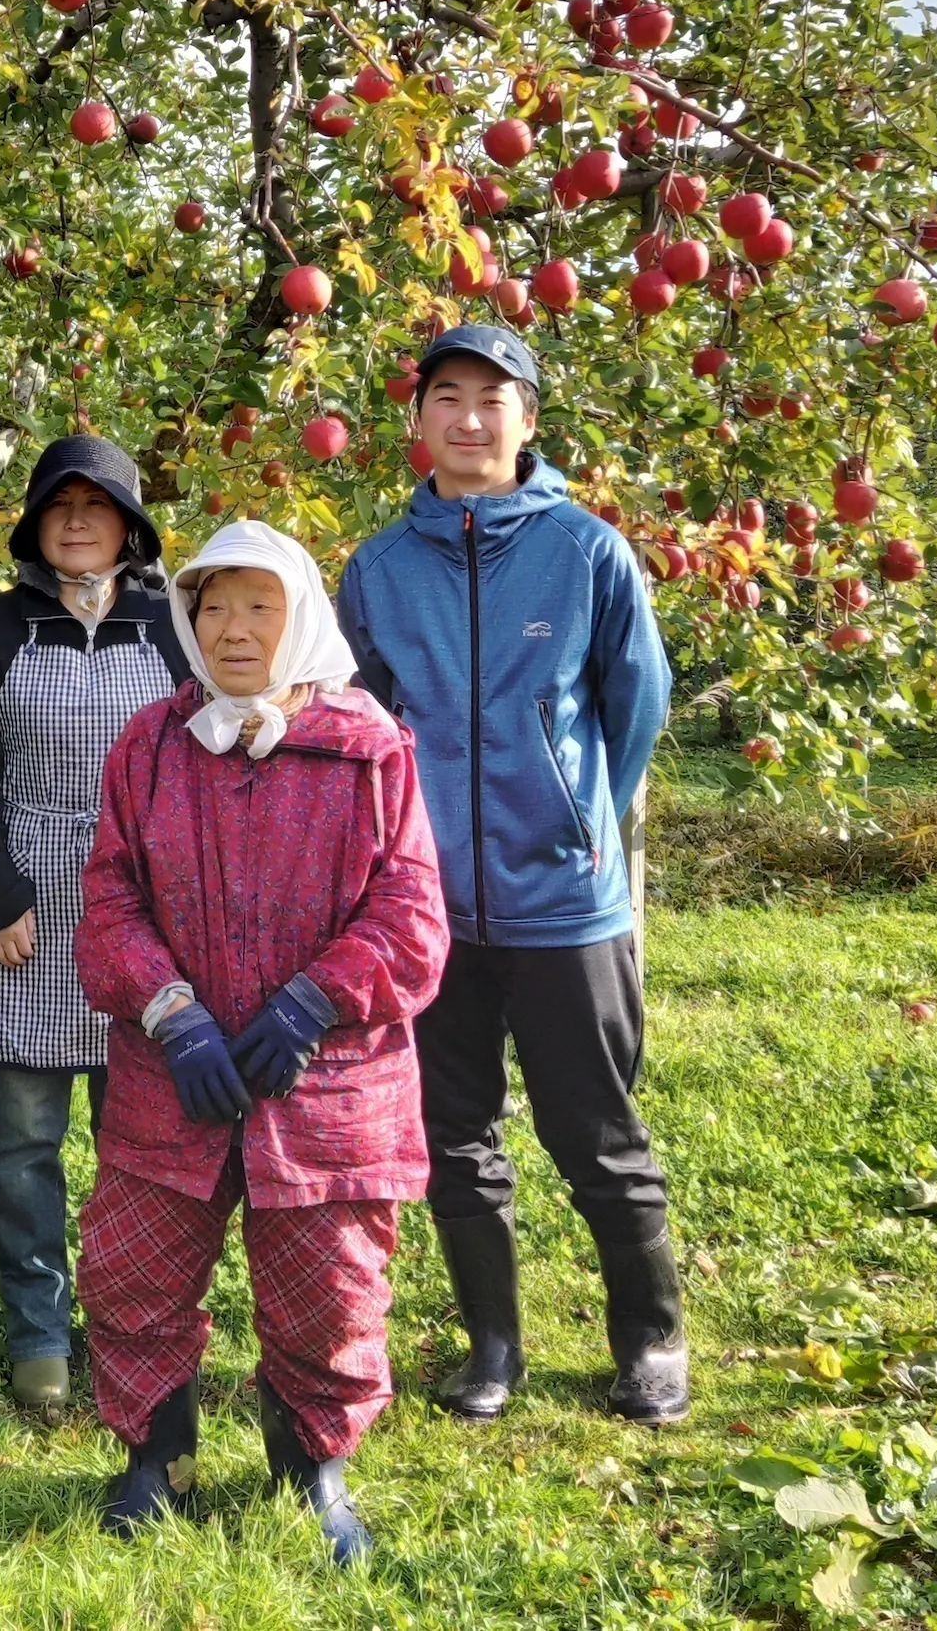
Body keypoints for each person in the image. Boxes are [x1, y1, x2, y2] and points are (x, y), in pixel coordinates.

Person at [73, 519, 448, 1568]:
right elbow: (110, 900)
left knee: (330, 1285)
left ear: (303, 617)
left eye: (260, 606)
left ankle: (313, 1468)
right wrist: (172, 1012)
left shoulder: (370, 749)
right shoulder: (151, 746)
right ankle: (157, 1460)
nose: (234, 629)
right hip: (174, 1076)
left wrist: (313, 1002)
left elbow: (411, 912)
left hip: (327, 1086)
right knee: (134, 1268)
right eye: (213, 607)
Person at [330, 322, 683, 1426]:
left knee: (595, 1131)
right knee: (452, 1133)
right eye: (447, 397)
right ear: (418, 420)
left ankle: (651, 1339)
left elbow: (635, 705)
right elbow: (362, 722)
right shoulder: (380, 569)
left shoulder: (586, 552)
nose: (470, 418)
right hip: (429, 905)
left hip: (564, 900)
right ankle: (494, 1345)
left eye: (494, 399)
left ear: (527, 420)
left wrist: (579, 820)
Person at [0, 438, 191, 1417]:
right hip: (29, 904)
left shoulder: (171, 624)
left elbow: (203, 762)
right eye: (59, 504)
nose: (78, 520)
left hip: (144, 902)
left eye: (98, 504)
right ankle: (38, 1329)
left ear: (131, 525)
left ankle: (132, 1317)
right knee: (24, 1137)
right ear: (36, 523)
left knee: (140, 1136)